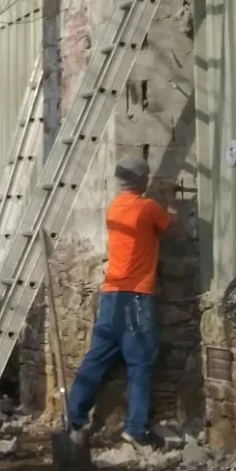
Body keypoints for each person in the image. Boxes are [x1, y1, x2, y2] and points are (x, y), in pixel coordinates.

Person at [68, 154, 182, 447]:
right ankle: (136, 428)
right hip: (135, 297)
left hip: (111, 295)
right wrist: (170, 197)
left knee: (96, 359)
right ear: (142, 180)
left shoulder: (114, 207)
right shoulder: (147, 208)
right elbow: (172, 226)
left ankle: (74, 418)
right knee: (141, 361)